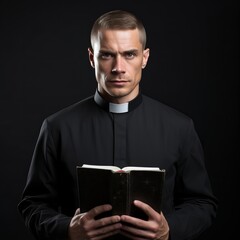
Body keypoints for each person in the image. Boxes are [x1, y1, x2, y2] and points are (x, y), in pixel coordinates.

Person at [18, 10, 218, 240]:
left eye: (130, 54)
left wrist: (169, 229)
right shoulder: (56, 127)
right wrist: (68, 230)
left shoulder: (180, 127)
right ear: (92, 58)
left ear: (145, 57)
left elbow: (203, 204)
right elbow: (32, 205)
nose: (118, 68)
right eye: (107, 55)